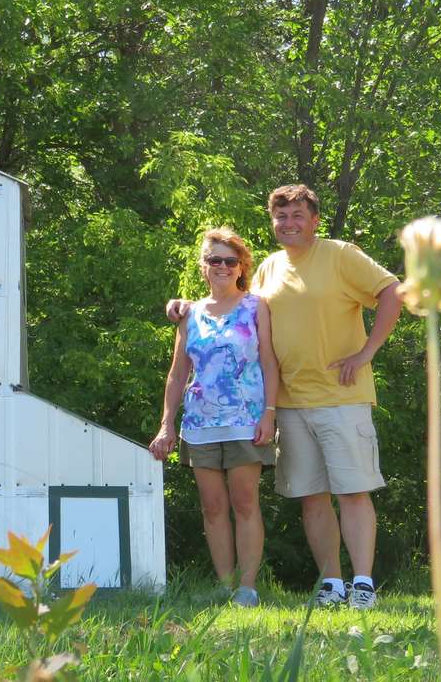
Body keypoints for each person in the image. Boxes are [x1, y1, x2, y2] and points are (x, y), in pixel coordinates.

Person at [167, 185, 402, 609]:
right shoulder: (269, 269)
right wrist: (185, 305)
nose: (289, 223)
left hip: (341, 395)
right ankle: (331, 584)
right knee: (311, 497)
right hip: (290, 403)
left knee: (352, 491)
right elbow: (231, 306)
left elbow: (392, 292)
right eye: (281, 217)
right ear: (272, 223)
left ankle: (362, 583)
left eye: (298, 215)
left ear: (314, 220)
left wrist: (366, 352)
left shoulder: (340, 254)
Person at [150, 227, 279, 608]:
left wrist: (269, 413)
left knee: (244, 503)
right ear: (203, 267)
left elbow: (270, 362)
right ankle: (225, 585)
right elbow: (177, 374)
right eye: (214, 260)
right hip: (200, 425)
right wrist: (166, 424)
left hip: (246, 420)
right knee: (212, 507)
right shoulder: (189, 315)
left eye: (229, 260)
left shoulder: (256, 307)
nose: (222, 266)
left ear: (240, 267)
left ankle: (248, 587)